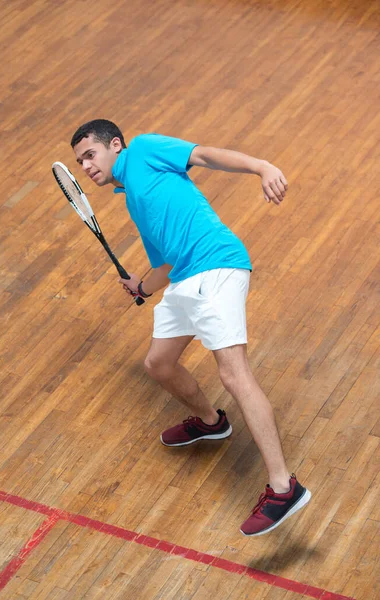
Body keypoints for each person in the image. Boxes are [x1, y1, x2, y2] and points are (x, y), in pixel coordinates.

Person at [71, 119, 311, 536]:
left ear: (115, 145)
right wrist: (142, 286)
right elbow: (165, 260)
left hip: (216, 266)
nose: (86, 167)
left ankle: (283, 488)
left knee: (234, 373)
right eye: (79, 162)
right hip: (185, 277)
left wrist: (261, 166)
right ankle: (211, 421)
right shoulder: (133, 197)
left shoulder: (144, 150)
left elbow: (203, 154)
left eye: (90, 155)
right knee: (158, 363)